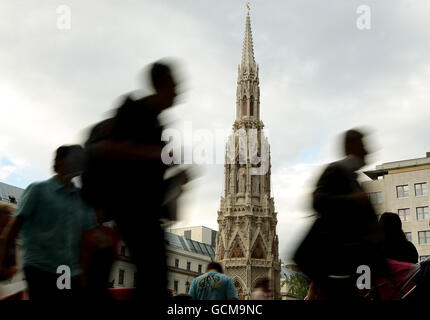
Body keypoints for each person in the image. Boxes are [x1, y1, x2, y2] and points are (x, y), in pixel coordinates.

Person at [82, 61, 190, 306]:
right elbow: (107, 148)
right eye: (175, 85)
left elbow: (149, 176)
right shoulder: (133, 109)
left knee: (152, 275)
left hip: (141, 210)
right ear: (162, 83)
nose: (178, 91)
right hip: (127, 208)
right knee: (152, 274)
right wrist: (156, 155)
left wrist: (176, 181)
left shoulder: (157, 124)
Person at [294, 129, 386, 300]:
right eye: (362, 145)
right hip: (334, 272)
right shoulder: (336, 171)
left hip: (350, 273)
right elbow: (318, 200)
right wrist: (352, 200)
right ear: (349, 148)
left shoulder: (354, 180)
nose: (367, 151)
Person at [0, 145, 95, 300]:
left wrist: (84, 270)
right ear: (59, 160)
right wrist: (7, 262)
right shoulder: (38, 190)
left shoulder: (81, 200)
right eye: (75, 158)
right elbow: (13, 229)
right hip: (40, 267)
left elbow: (86, 238)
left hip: (65, 269)